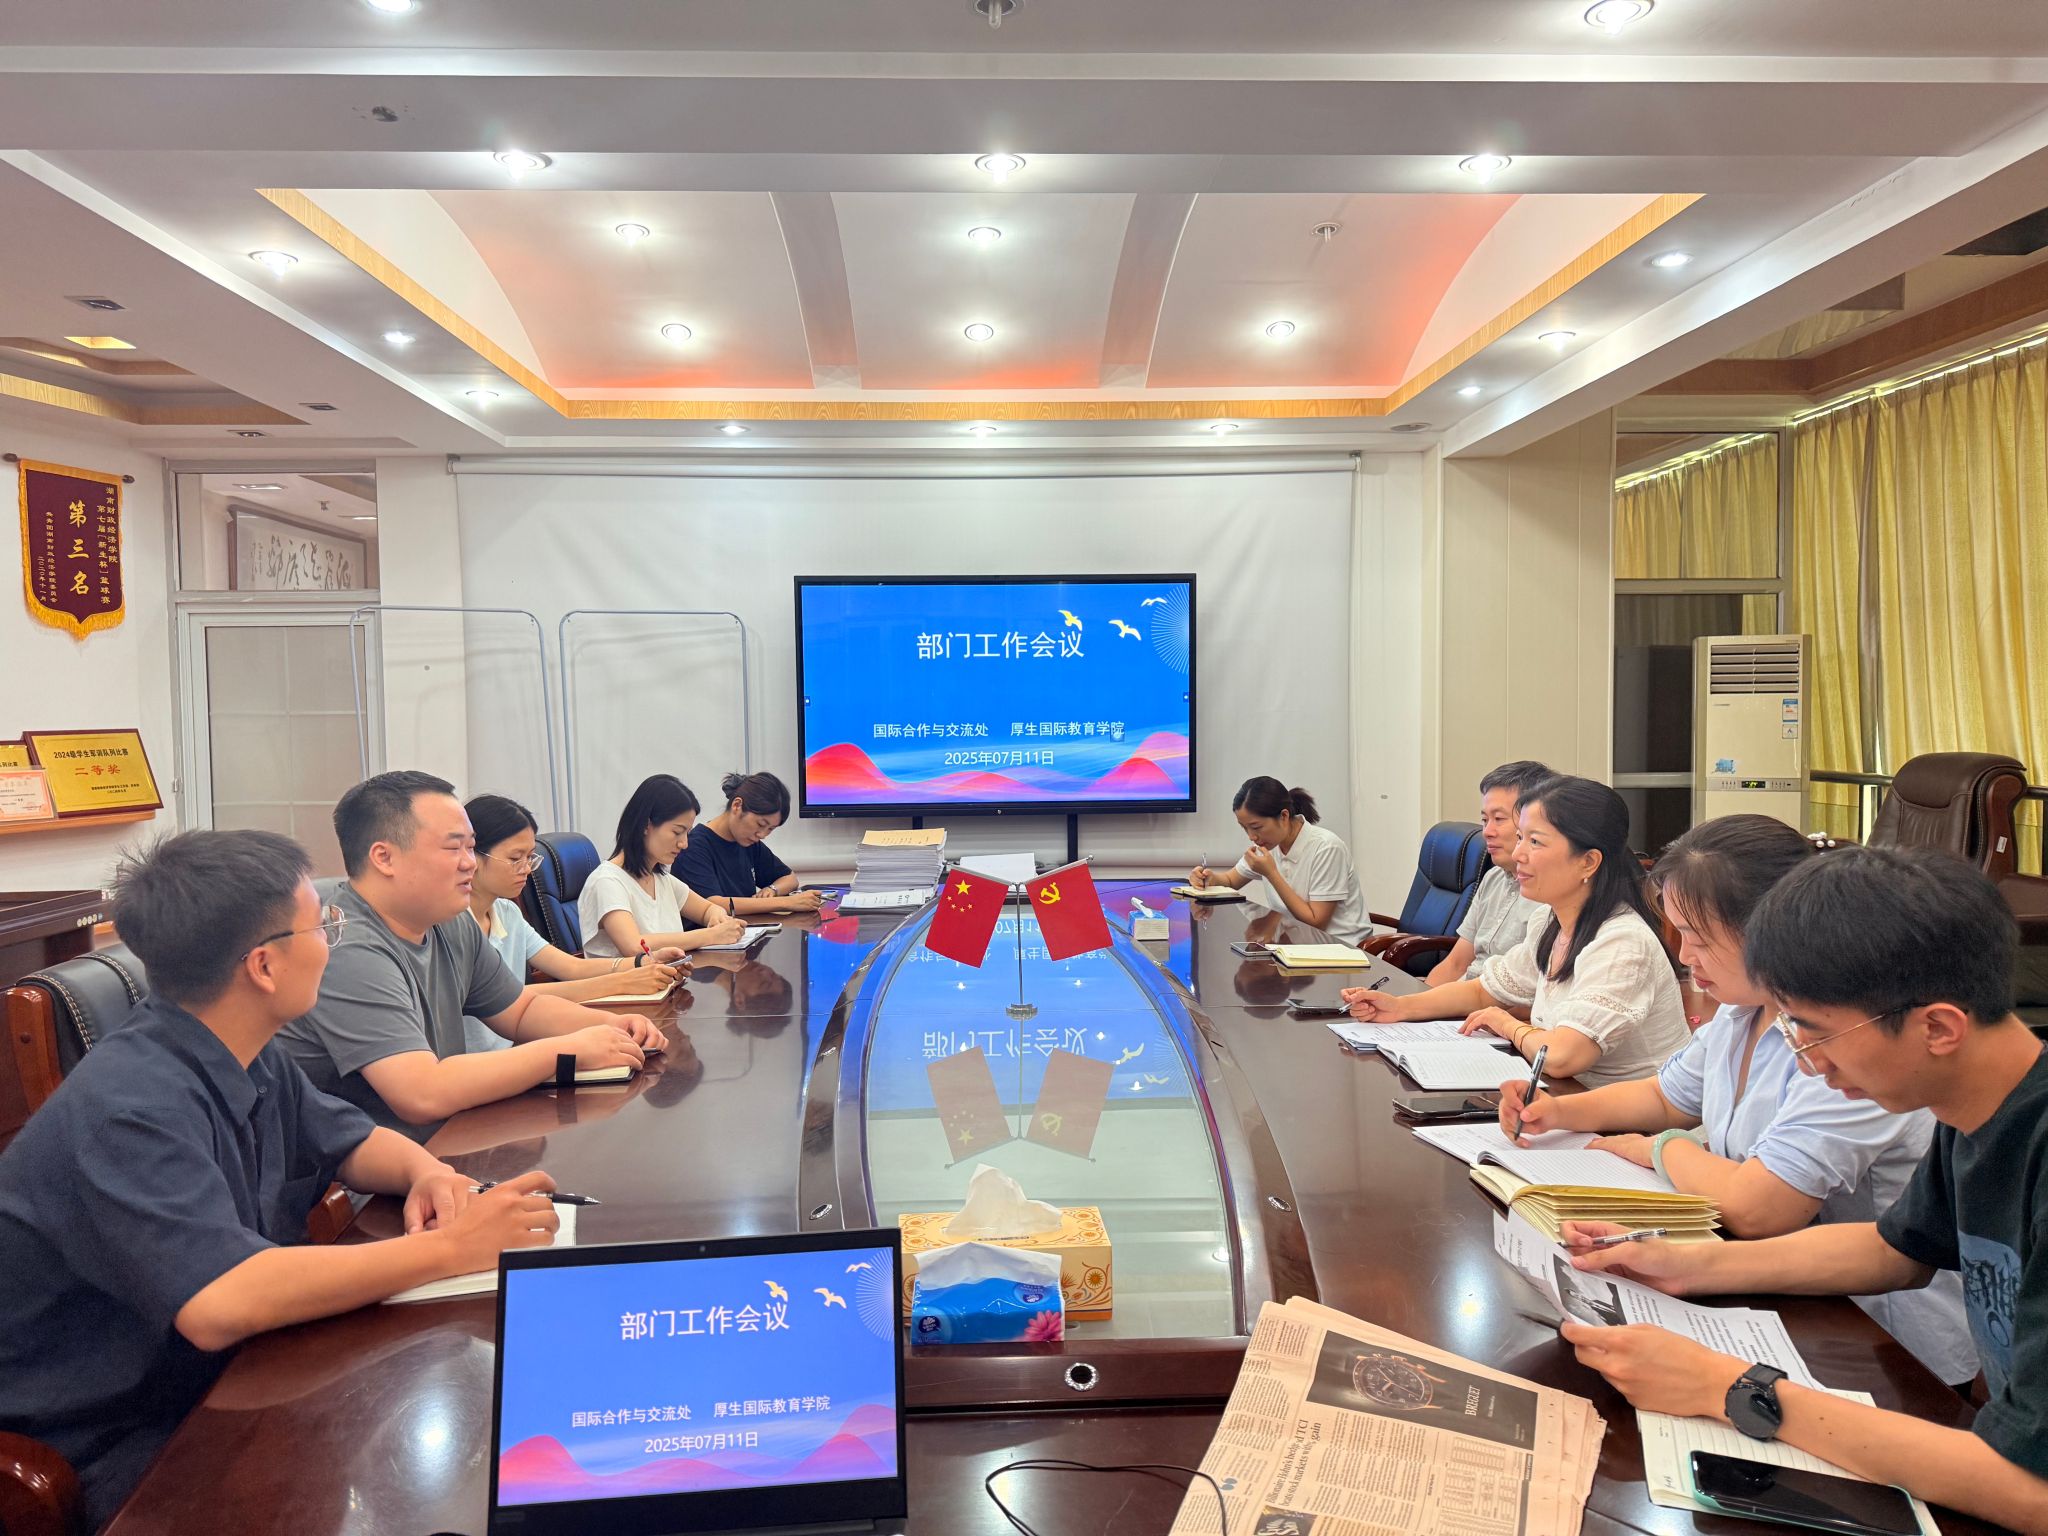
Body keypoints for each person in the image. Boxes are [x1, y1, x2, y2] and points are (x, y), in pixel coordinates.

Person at [0, 830, 564, 1529]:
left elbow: (354, 1140)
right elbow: (220, 1301)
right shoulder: (128, 1107)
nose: (332, 942)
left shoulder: (239, 1047)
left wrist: (428, 1173)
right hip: (119, 1433)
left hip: (232, 1374)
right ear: (264, 966)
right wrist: (451, 1249)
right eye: (322, 927)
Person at [1555, 847, 2048, 1532]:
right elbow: (1896, 1249)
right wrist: (1685, 1262)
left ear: (1938, 1027)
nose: (1809, 1065)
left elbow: (2034, 1492)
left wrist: (1726, 1388)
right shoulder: (1975, 1110)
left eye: (1816, 1034)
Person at [1499, 815, 1974, 1385]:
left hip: (1881, 1339)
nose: (1684, 957)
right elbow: (1667, 1095)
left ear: (1774, 930)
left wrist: (1663, 1148)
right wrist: (1559, 1111)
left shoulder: (1855, 1035)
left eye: (1700, 940)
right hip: (1788, 1284)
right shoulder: (1744, 1012)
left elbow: (1764, 1210)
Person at [279, 771, 667, 1138]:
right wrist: (568, 1050)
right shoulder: (347, 948)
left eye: (471, 846)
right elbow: (421, 1093)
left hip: (448, 1137)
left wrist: (612, 1027)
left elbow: (520, 1011)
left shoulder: (449, 921)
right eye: (454, 848)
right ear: (384, 858)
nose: (469, 862)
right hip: (371, 1171)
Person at [1343, 775, 1688, 1088]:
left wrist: (1507, 1025)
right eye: (1520, 837)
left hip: (1628, 1123)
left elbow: (1563, 1057)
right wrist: (1400, 1007)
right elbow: (1484, 992)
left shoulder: (1622, 941)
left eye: (1535, 842)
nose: (1519, 853)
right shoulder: (1549, 922)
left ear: (1588, 861)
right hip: (1564, 1099)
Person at [460, 793, 689, 1053]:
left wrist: (642, 963)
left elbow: (571, 967)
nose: (527, 869)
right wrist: (625, 981)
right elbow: (515, 1001)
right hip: (477, 1061)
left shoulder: (507, 913)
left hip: (513, 1049)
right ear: (472, 856)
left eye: (530, 857)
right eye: (515, 859)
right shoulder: (452, 929)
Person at [579, 773, 748, 959]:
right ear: (645, 825)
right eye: (677, 832)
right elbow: (634, 947)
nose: (684, 843)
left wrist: (718, 917)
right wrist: (711, 935)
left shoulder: (661, 880)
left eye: (687, 833)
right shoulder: (607, 882)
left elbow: (709, 909)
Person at [1185, 777, 1370, 944]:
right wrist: (1209, 879)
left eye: (1256, 827)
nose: (1251, 836)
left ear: (1284, 816)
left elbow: (1316, 922)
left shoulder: (1327, 848)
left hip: (1339, 948)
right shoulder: (1269, 845)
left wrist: (1271, 873)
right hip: (1295, 946)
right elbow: (1231, 880)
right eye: (1245, 828)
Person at [1425, 759, 1552, 987]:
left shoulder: (1552, 896)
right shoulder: (1493, 878)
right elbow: (1455, 964)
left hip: (1489, 1003)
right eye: (1485, 820)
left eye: (1499, 819)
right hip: (1459, 996)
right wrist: (1414, 1002)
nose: (1487, 832)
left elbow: (1529, 993)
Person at [672, 771, 824, 917]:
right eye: (760, 824)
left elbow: (789, 878)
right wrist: (787, 902)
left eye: (770, 829)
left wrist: (772, 889)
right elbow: (713, 905)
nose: (762, 835)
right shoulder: (693, 847)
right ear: (737, 806)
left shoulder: (748, 842)